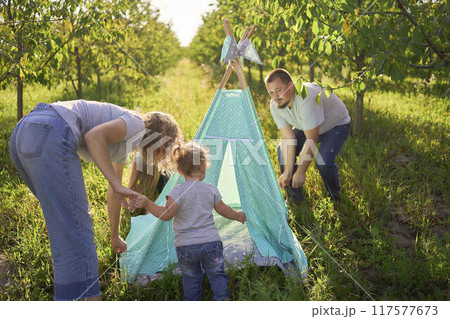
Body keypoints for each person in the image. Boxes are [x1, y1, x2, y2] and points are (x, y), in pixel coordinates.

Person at [9, 100, 183, 301]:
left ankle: (82, 283)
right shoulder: (136, 123)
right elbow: (94, 136)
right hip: (51, 130)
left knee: (63, 224)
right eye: (164, 151)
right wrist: (117, 185)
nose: (160, 159)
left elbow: (113, 189)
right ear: (159, 139)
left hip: (24, 132)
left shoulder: (125, 144)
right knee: (76, 226)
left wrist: (115, 236)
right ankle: (90, 298)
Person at [133, 141, 247, 301]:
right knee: (217, 275)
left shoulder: (177, 191)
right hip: (210, 244)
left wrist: (148, 204)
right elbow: (223, 209)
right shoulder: (210, 189)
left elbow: (166, 215)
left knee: (191, 279)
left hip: (186, 247)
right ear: (203, 168)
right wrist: (237, 215)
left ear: (179, 170)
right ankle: (221, 299)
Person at [265, 68, 351, 203]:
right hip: (306, 126)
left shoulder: (306, 98)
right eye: (271, 93)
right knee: (281, 149)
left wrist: (301, 171)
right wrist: (288, 172)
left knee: (323, 161)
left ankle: (335, 198)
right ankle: (294, 198)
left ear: (291, 85)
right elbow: (288, 138)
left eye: (278, 90)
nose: (275, 97)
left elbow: (312, 138)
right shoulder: (275, 105)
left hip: (335, 125)